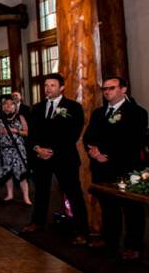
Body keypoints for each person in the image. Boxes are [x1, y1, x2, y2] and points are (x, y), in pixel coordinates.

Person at [83, 76, 148, 260]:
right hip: (101, 168)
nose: (107, 92)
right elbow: (89, 136)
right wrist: (93, 152)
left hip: (125, 166)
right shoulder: (98, 113)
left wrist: (106, 153)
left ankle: (133, 245)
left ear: (124, 89)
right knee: (108, 205)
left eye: (111, 88)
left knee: (132, 208)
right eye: (104, 89)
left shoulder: (137, 112)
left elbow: (133, 140)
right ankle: (110, 239)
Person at [22, 73, 88, 245]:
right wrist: (37, 148)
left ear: (61, 88)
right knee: (41, 191)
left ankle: (82, 230)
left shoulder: (73, 107)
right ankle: (37, 222)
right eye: (46, 85)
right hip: (40, 157)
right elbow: (31, 134)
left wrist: (51, 150)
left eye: (52, 85)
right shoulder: (36, 108)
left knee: (73, 193)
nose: (48, 88)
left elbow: (73, 133)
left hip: (64, 157)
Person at [0, 96, 32, 205]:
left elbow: (27, 132)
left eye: (11, 104)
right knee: (7, 173)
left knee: (22, 174)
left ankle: (26, 197)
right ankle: (10, 194)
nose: (8, 106)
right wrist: (0, 131)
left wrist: (15, 131)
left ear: (15, 106)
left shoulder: (20, 117)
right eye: (6, 104)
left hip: (18, 149)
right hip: (4, 150)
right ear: (3, 106)